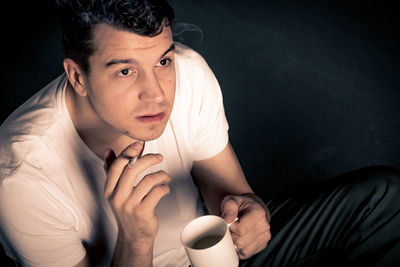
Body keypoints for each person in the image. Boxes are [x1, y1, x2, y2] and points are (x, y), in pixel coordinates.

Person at [0, 1, 399, 267]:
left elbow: (229, 188)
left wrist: (248, 211)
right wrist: (136, 238)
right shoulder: (19, 178)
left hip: (214, 253)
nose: (156, 93)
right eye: (125, 71)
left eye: (162, 60)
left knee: (384, 196)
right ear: (77, 76)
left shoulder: (188, 72)